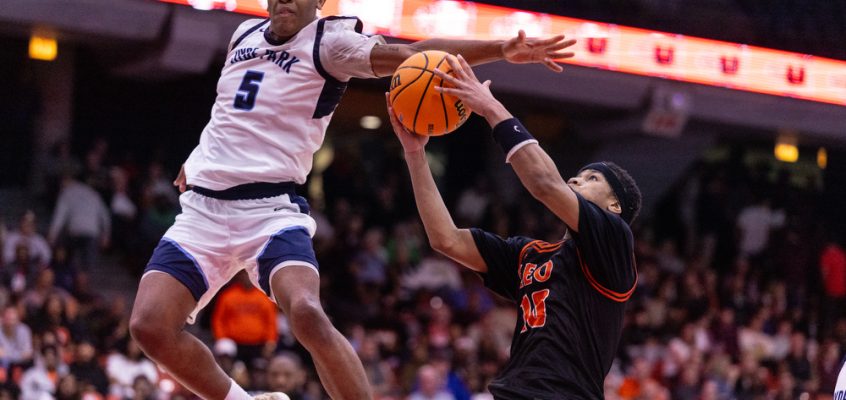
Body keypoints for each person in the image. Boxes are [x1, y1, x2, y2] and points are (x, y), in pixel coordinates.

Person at [127, 0, 575, 399]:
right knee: (149, 327)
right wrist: (199, 158)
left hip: (269, 211)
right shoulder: (242, 34)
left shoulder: (331, 42)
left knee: (306, 312)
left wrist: (502, 49)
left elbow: (414, 55)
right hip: (204, 210)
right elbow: (229, 113)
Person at [386, 54, 641, 399]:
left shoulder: (614, 241)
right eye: (578, 174)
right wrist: (415, 155)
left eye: (591, 178)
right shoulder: (529, 255)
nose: (574, 180)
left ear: (614, 206)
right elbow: (445, 239)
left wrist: (491, 108)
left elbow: (544, 184)